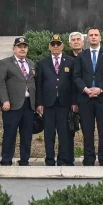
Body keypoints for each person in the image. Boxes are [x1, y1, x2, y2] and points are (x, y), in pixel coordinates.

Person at [73, 27, 103, 165]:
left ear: (100, 38)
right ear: (87, 39)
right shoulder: (81, 55)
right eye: (90, 35)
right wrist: (86, 89)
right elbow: (76, 76)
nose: (93, 37)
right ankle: (89, 159)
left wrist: (100, 89)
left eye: (96, 35)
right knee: (87, 130)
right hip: (85, 99)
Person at [36, 35, 76, 166]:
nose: (55, 47)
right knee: (49, 133)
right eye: (53, 44)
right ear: (49, 46)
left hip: (65, 103)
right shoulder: (43, 63)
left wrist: (74, 102)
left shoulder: (70, 61)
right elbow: (39, 85)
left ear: (63, 46)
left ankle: (63, 159)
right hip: (48, 104)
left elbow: (74, 83)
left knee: (64, 133)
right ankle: (49, 160)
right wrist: (39, 103)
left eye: (58, 44)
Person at [0, 37, 36, 165]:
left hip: (28, 104)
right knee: (10, 133)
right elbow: (0, 83)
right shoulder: (5, 63)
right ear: (14, 48)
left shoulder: (31, 63)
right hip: (12, 104)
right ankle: (6, 159)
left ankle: (24, 160)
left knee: (26, 134)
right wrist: (5, 100)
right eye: (19, 46)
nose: (22, 49)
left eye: (24, 46)